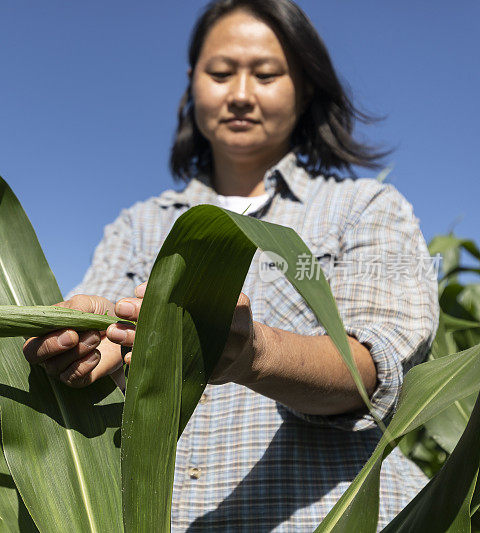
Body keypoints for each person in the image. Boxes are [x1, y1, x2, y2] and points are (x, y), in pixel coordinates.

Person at [23, 0, 439, 530]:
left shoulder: (362, 209)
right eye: (220, 73)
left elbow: (377, 369)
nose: (241, 94)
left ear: (305, 88)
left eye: (266, 74)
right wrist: (85, 332)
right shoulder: (139, 227)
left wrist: (250, 353)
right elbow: (105, 321)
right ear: (192, 82)